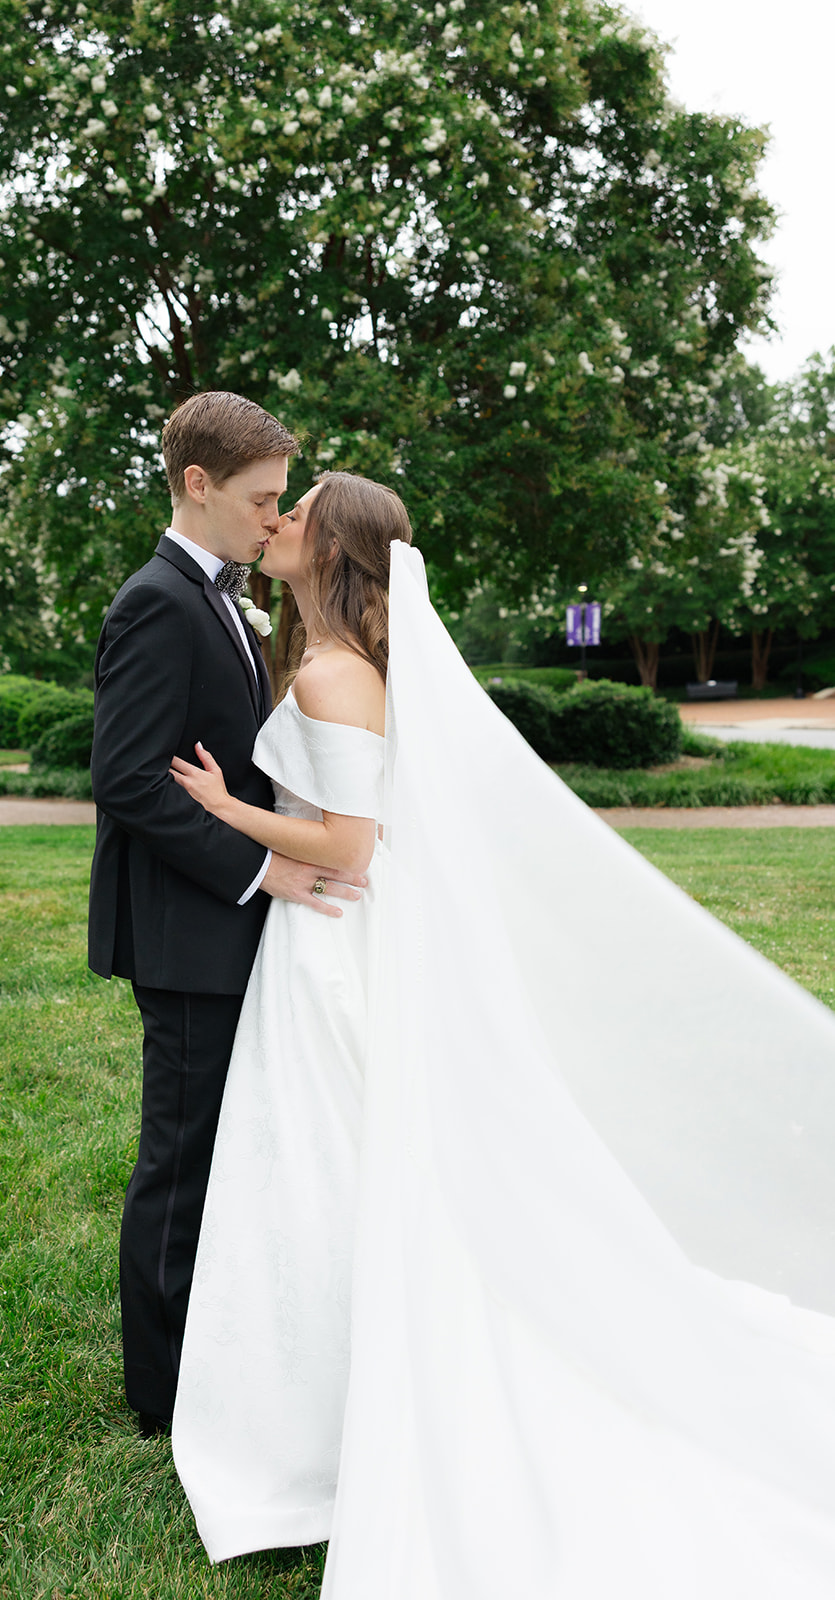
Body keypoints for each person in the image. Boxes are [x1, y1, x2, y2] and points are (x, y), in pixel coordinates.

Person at [170, 470, 835, 1596]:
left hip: (334, 935)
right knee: (343, 1159)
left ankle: (330, 1414)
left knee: (337, 1160)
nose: (275, 523)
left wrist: (227, 808)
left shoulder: (334, 674)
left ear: (330, 551)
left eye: (296, 511)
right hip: (336, 942)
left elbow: (350, 848)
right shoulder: (343, 663)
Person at [88, 393, 363, 1441]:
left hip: (228, 924)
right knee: (182, 1157)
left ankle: (218, 1343)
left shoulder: (225, 598)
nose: (272, 517)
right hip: (189, 930)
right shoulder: (158, 600)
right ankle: (159, 1394)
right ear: (196, 484)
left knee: (222, 1149)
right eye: (260, 499)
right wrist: (259, 872)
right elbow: (128, 781)